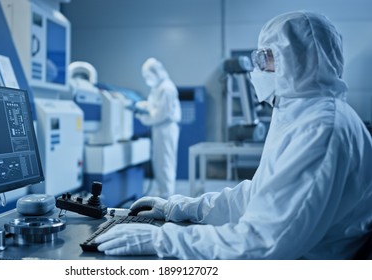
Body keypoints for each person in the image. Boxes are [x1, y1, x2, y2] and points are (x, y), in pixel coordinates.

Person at [95, 11, 372, 259]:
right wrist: (182, 208)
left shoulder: (320, 128)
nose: (258, 68)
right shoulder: (299, 111)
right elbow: (259, 194)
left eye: (267, 57)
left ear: (298, 60)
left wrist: (161, 239)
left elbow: (262, 243)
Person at [134, 57, 181, 198]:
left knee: (165, 163)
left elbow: (161, 114)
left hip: (165, 129)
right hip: (160, 129)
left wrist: (143, 117)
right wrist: (144, 106)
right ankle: (162, 192)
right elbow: (156, 107)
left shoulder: (166, 88)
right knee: (159, 162)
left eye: (148, 76)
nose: (147, 79)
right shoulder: (158, 87)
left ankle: (166, 196)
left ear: (156, 72)